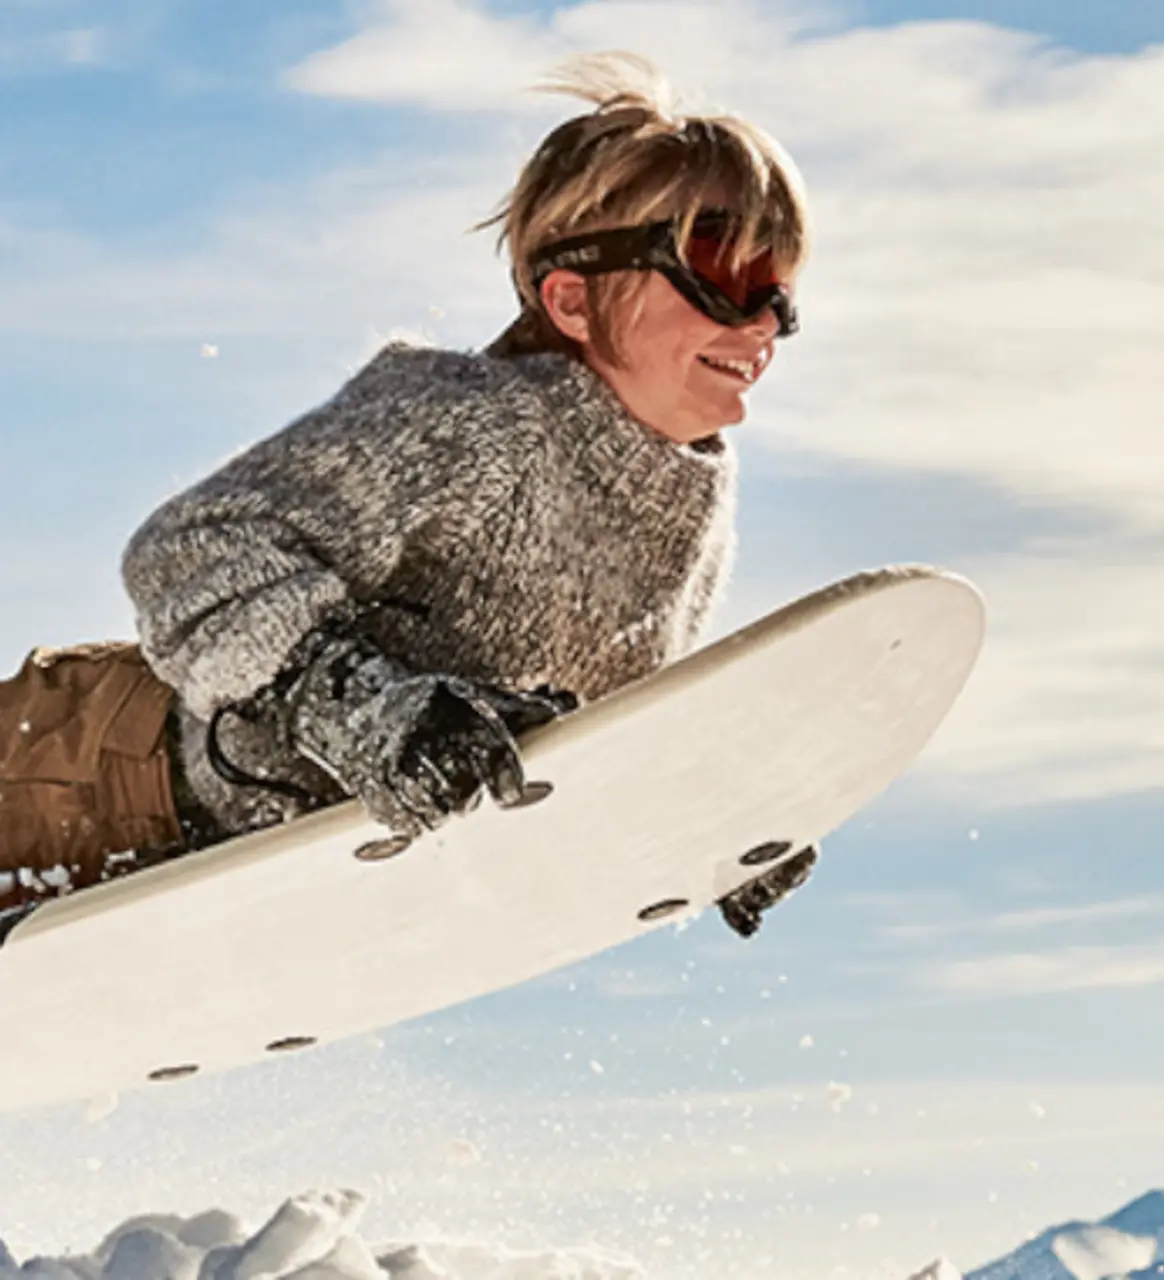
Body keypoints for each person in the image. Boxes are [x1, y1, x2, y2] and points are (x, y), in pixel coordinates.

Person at [0, 52, 817, 938]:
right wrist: (350, 700)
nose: (764, 319)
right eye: (723, 273)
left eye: (778, 284)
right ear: (573, 299)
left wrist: (702, 829)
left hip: (207, 843)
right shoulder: (472, 421)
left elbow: (583, 731)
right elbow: (191, 548)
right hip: (99, 760)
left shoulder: (685, 502)